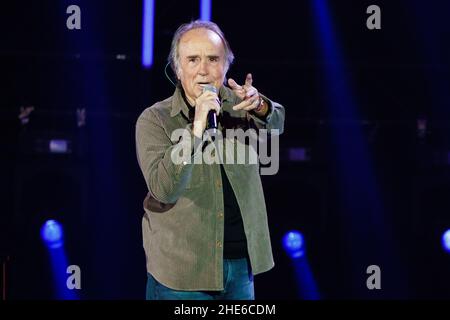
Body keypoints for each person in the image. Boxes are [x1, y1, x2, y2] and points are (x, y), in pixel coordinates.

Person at [135, 20, 285, 300]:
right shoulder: (155, 119)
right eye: (193, 60)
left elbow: (278, 126)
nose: (203, 69)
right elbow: (165, 189)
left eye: (213, 59)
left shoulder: (241, 106)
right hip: (182, 272)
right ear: (178, 70)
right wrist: (196, 129)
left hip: (241, 268)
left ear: (225, 67)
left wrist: (261, 105)